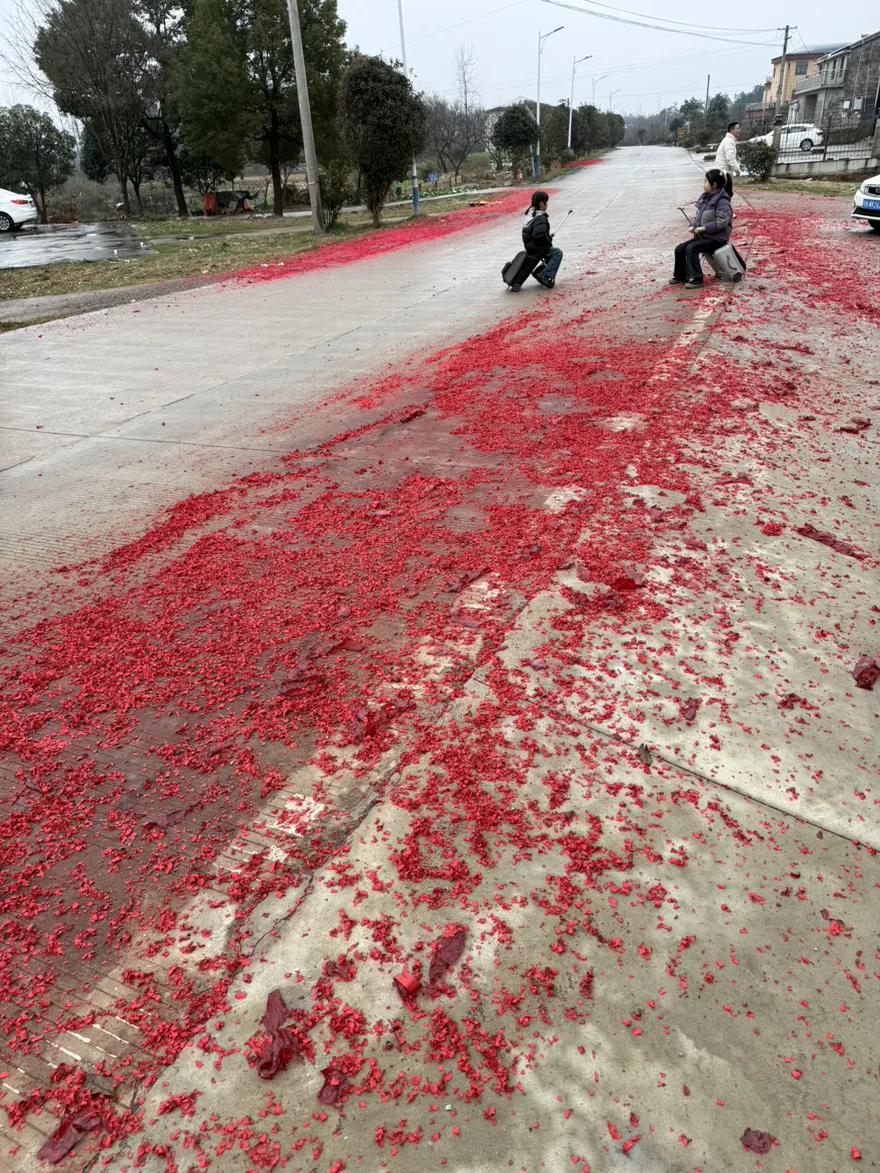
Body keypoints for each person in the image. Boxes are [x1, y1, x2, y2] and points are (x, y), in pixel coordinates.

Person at [669, 169, 732, 289]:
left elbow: (722, 223)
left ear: (714, 184)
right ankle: (680, 276)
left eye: (705, 182)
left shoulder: (722, 201)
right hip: (704, 236)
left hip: (716, 238)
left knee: (692, 248)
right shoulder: (706, 198)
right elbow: (699, 217)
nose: (703, 184)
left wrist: (703, 228)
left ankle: (697, 279)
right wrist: (693, 226)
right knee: (680, 249)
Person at [522, 190, 563, 289]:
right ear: (541, 204)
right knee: (557, 253)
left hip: (530, 246)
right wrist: (548, 240)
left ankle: (539, 272)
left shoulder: (531, 212)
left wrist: (547, 239)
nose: (547, 204)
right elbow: (539, 236)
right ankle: (546, 276)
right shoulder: (540, 217)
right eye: (546, 202)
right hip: (536, 247)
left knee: (550, 251)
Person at [714, 121, 741, 198]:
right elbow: (730, 157)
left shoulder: (728, 140)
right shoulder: (729, 141)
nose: (739, 130)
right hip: (723, 173)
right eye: (737, 128)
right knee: (723, 195)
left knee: (721, 195)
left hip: (722, 172)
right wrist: (737, 170)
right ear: (731, 130)